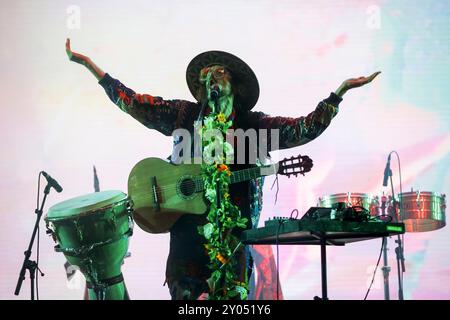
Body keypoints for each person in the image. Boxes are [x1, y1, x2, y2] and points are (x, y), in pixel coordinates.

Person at [66, 38, 380, 299]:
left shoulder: (254, 126)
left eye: (219, 73)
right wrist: (93, 69)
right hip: (186, 246)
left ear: (234, 85)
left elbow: (303, 129)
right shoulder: (184, 116)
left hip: (233, 245)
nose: (211, 78)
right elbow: (136, 103)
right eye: (206, 75)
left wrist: (337, 94)